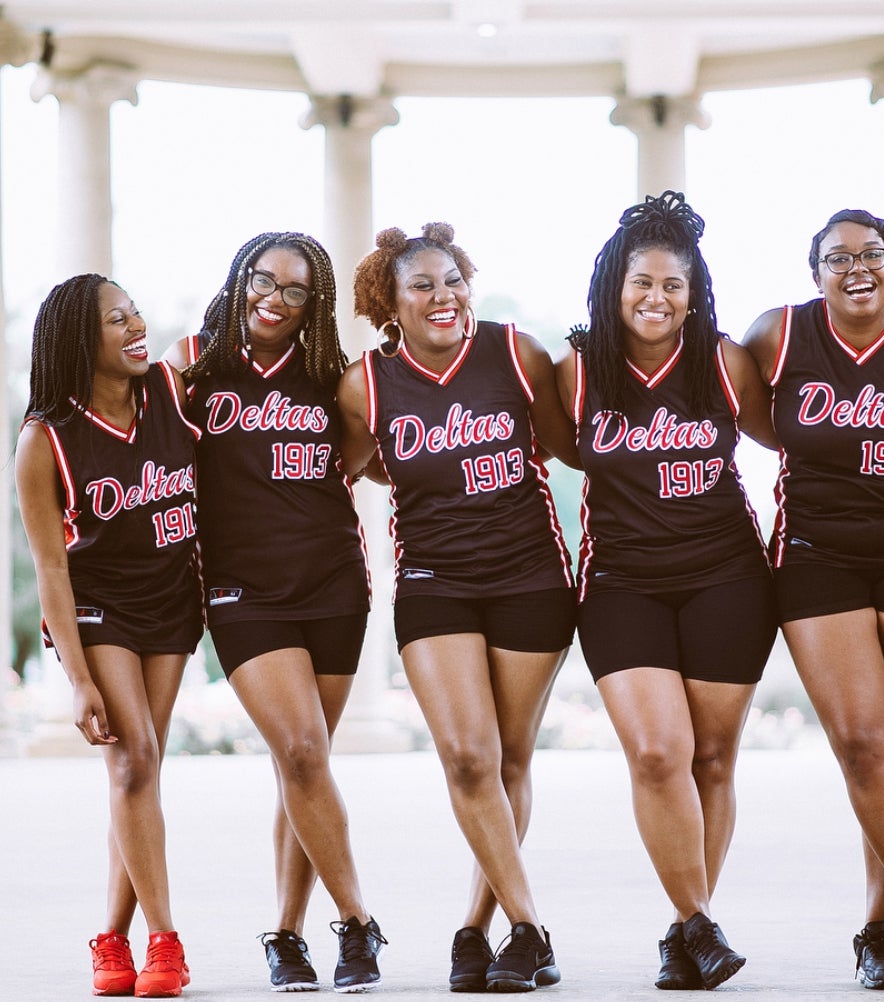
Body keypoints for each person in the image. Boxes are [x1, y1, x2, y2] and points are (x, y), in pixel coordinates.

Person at [340, 223, 577, 994]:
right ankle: (531, 929)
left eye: (453, 281)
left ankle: (478, 930)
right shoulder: (365, 385)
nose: (443, 296)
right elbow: (357, 466)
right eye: (423, 285)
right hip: (434, 579)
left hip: (530, 576)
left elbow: (566, 446)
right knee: (469, 759)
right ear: (391, 304)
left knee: (509, 760)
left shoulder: (516, 352)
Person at [743, 209, 884, 992]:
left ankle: (879, 929)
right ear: (814, 275)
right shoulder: (780, 334)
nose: (856, 268)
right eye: (837, 258)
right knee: (862, 744)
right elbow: (753, 419)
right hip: (818, 554)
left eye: (872, 253)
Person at [556, 191, 775, 991]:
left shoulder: (724, 362)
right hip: (623, 581)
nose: (657, 298)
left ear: (694, 292)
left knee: (712, 759)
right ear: (615, 285)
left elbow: (787, 437)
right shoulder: (577, 371)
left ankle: (689, 934)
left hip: (728, 577)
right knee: (656, 754)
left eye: (673, 286)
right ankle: (699, 925)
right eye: (642, 283)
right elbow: (561, 447)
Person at [165, 232, 385, 993]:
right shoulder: (193, 363)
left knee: (304, 764)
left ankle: (287, 936)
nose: (275, 300)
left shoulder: (329, 374)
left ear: (313, 304)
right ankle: (357, 922)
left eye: (296, 290)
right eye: (264, 280)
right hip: (241, 592)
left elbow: (360, 459)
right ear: (241, 277)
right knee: (300, 750)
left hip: (333, 583)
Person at [16, 274, 202, 998]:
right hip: (99, 610)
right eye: (116, 320)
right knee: (134, 762)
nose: (135, 326)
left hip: (172, 603)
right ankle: (165, 941)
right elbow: (50, 569)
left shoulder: (172, 390)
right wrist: (78, 680)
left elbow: (240, 333)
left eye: (135, 313)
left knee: (139, 774)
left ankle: (111, 939)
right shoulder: (44, 440)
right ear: (77, 340)